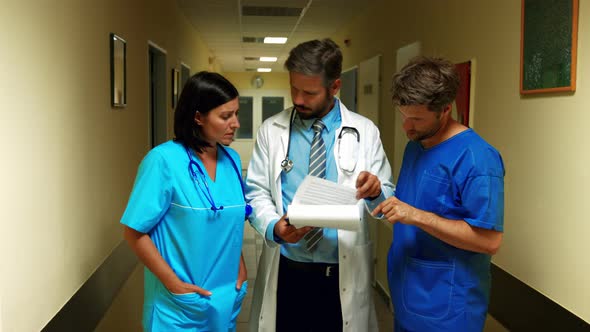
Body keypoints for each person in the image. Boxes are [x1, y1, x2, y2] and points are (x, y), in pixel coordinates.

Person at [246, 38, 394, 332]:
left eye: (309, 92)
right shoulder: (271, 130)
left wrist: (376, 191)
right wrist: (275, 227)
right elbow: (257, 191)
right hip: (288, 269)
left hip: (341, 272)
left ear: (335, 86)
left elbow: (387, 202)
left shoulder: (365, 131)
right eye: (294, 89)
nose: (298, 99)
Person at [372, 56, 505, 332]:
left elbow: (489, 241)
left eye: (417, 119)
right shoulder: (417, 145)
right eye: (403, 115)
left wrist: (418, 216)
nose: (406, 127)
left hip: (448, 305)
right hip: (408, 290)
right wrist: (378, 192)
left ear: (445, 109)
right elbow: (411, 206)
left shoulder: (477, 159)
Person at [120, 71, 250, 331]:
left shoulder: (232, 161)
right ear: (198, 117)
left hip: (224, 297)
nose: (235, 123)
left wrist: (241, 270)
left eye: (236, 113)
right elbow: (133, 231)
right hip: (179, 305)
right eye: (225, 116)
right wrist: (173, 284)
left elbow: (231, 224)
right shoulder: (163, 161)